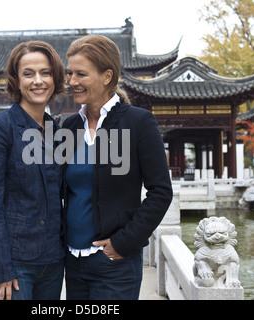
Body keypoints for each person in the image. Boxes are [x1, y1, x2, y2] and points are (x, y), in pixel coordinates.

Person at [63, 35, 173, 300]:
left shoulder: (138, 122)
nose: (72, 81)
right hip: (72, 262)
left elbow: (161, 191)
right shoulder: (69, 127)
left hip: (114, 264)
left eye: (81, 74)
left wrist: (124, 243)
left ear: (106, 76)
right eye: (69, 73)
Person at [0, 41, 66, 300]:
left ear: (55, 77)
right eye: (28, 73)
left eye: (45, 72)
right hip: (13, 261)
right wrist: (0, 267)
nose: (38, 81)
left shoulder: (58, 133)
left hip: (53, 260)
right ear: (16, 80)